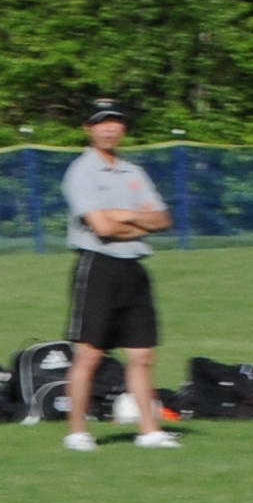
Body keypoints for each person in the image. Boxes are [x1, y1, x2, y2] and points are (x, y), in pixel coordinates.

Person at [57, 98, 182, 453]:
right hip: (98, 266)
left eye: (115, 121)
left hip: (133, 268)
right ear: (89, 129)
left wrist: (124, 215)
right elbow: (102, 227)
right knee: (89, 355)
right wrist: (137, 223)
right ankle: (77, 433)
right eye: (101, 122)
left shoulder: (132, 172)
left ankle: (149, 431)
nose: (109, 128)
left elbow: (162, 219)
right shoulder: (81, 171)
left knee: (142, 355)